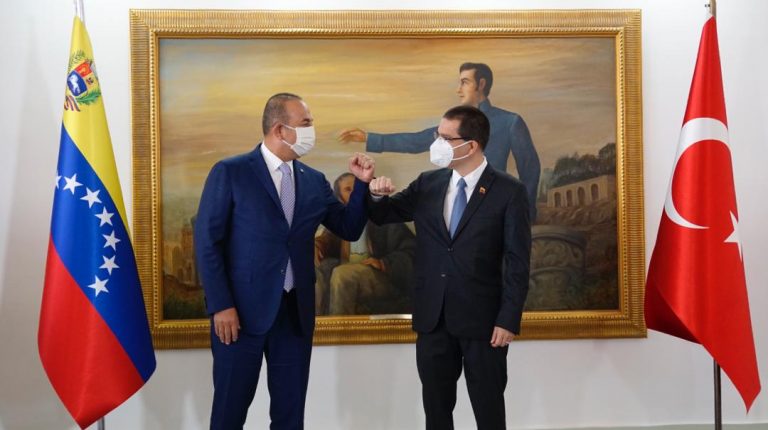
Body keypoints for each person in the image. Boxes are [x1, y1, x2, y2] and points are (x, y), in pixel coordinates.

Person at [194, 93, 375, 429]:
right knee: (229, 414)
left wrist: (362, 185)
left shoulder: (314, 180)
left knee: (290, 418)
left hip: (294, 315)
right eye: (306, 123)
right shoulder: (231, 172)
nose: (312, 130)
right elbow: (207, 243)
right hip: (239, 316)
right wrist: (221, 305)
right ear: (279, 129)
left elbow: (349, 228)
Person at [368, 105, 531, 430]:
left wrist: (508, 319)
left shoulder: (509, 191)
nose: (437, 144)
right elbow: (384, 214)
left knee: (489, 413)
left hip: (484, 324)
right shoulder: (427, 183)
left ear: (471, 145)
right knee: (436, 412)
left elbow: (518, 260)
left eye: (445, 138)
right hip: (433, 320)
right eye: (437, 135)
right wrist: (374, 194)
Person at [339, 62, 541, 221]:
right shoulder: (451, 126)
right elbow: (416, 141)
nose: (458, 89)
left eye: (464, 82)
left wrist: (524, 211)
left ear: (481, 84)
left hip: (493, 207)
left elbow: (530, 168)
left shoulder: (510, 122)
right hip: (454, 201)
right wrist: (370, 138)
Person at [314, 172, 416, 315]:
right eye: (348, 189)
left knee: (343, 274)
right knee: (313, 273)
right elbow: (326, 240)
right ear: (340, 197)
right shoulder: (341, 220)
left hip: (381, 278)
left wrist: (384, 263)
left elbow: (411, 252)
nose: (355, 192)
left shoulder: (385, 218)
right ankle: (316, 327)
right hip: (348, 274)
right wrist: (316, 245)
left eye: (358, 187)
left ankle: (341, 329)